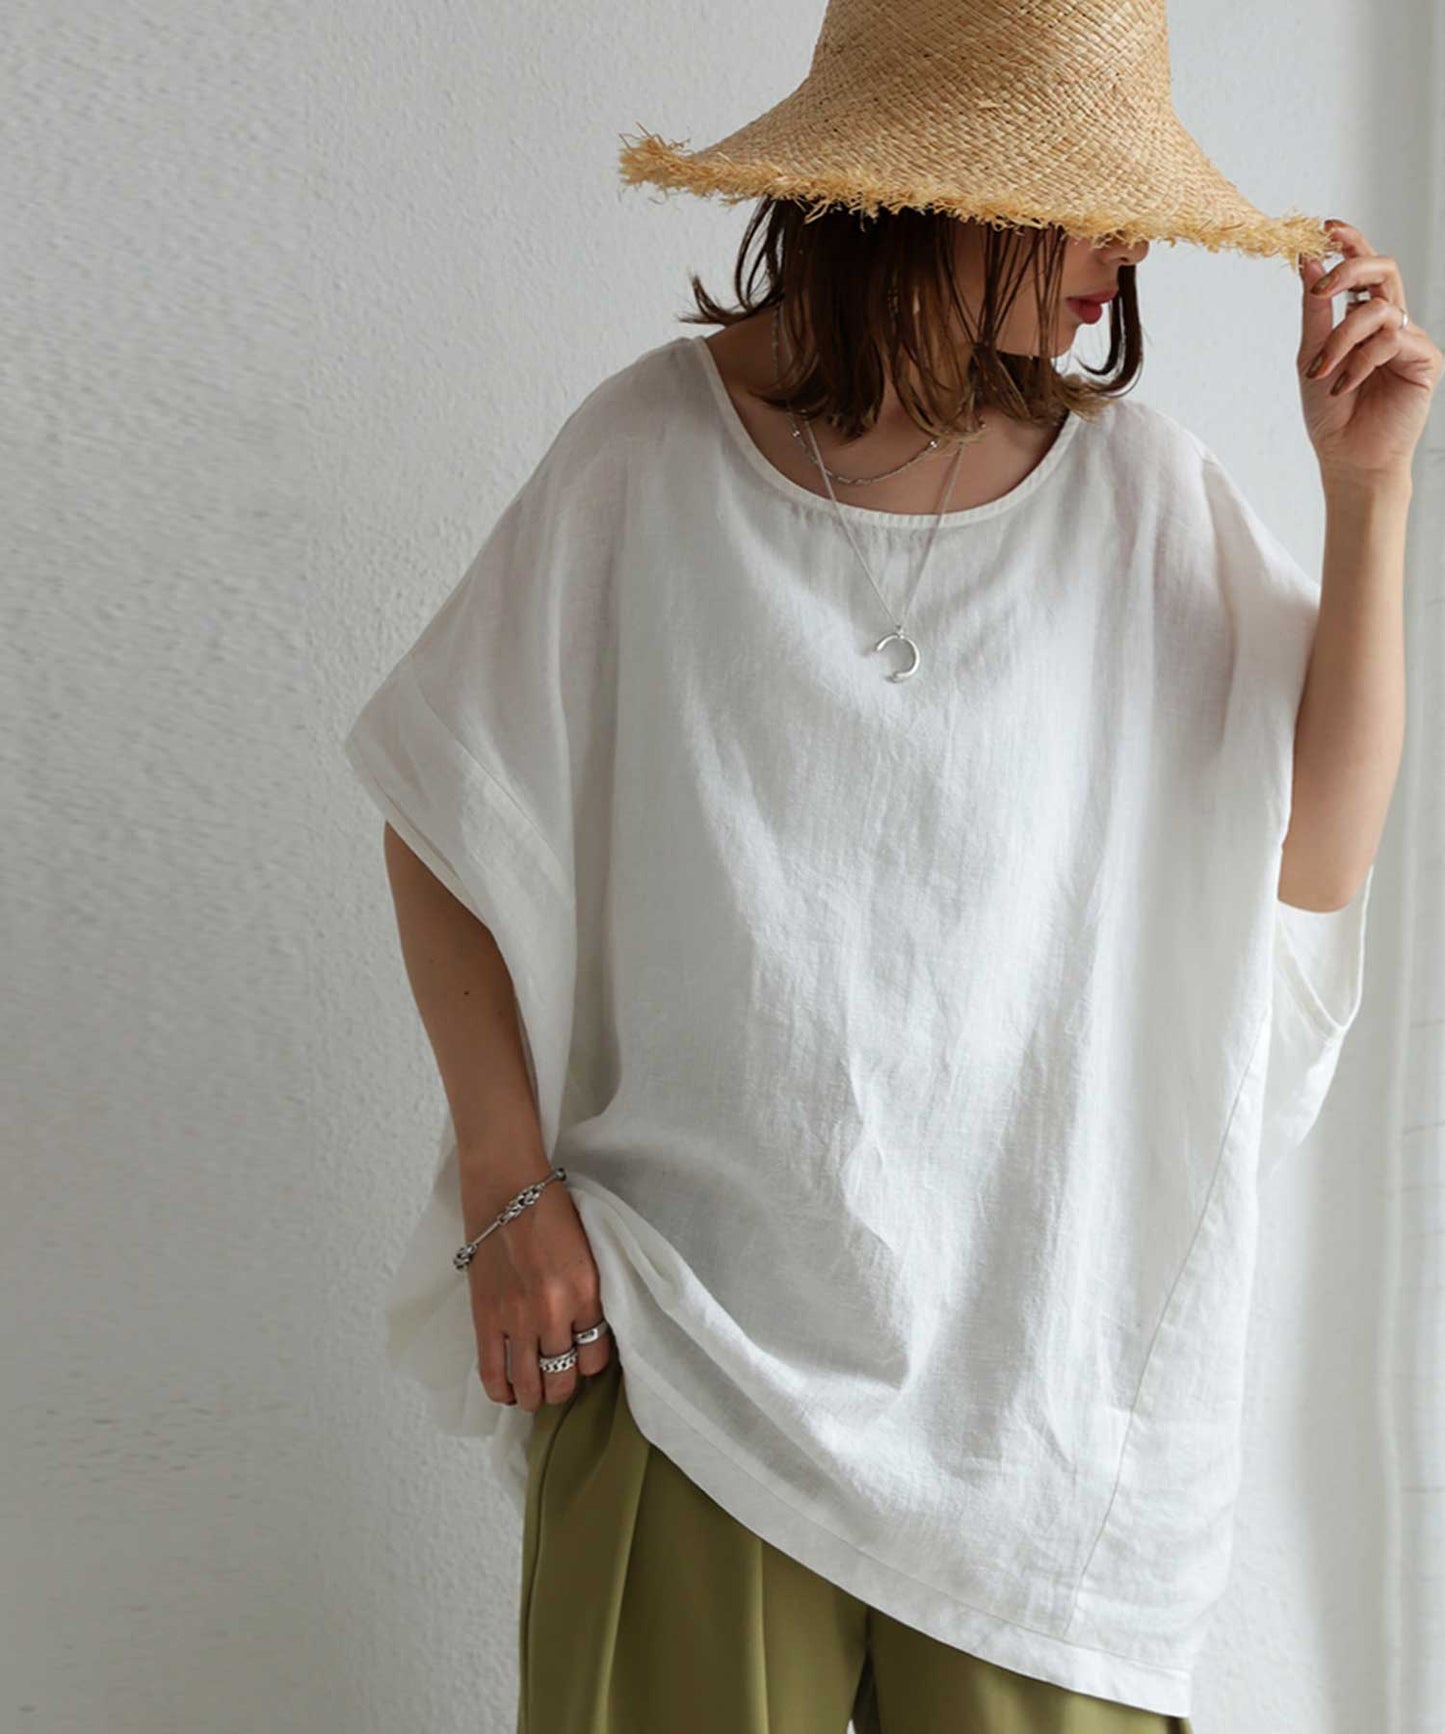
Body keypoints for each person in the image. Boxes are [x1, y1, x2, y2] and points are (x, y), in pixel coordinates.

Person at [341, 3, 1441, 1730]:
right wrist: (505, 1186)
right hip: (686, 1370)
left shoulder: (1142, 501)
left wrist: (1366, 498)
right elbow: (440, 806)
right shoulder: (642, 459)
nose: (1128, 249)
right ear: (939, 194)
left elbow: (1309, 858)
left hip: (1045, 1428)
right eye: (1084, 201)